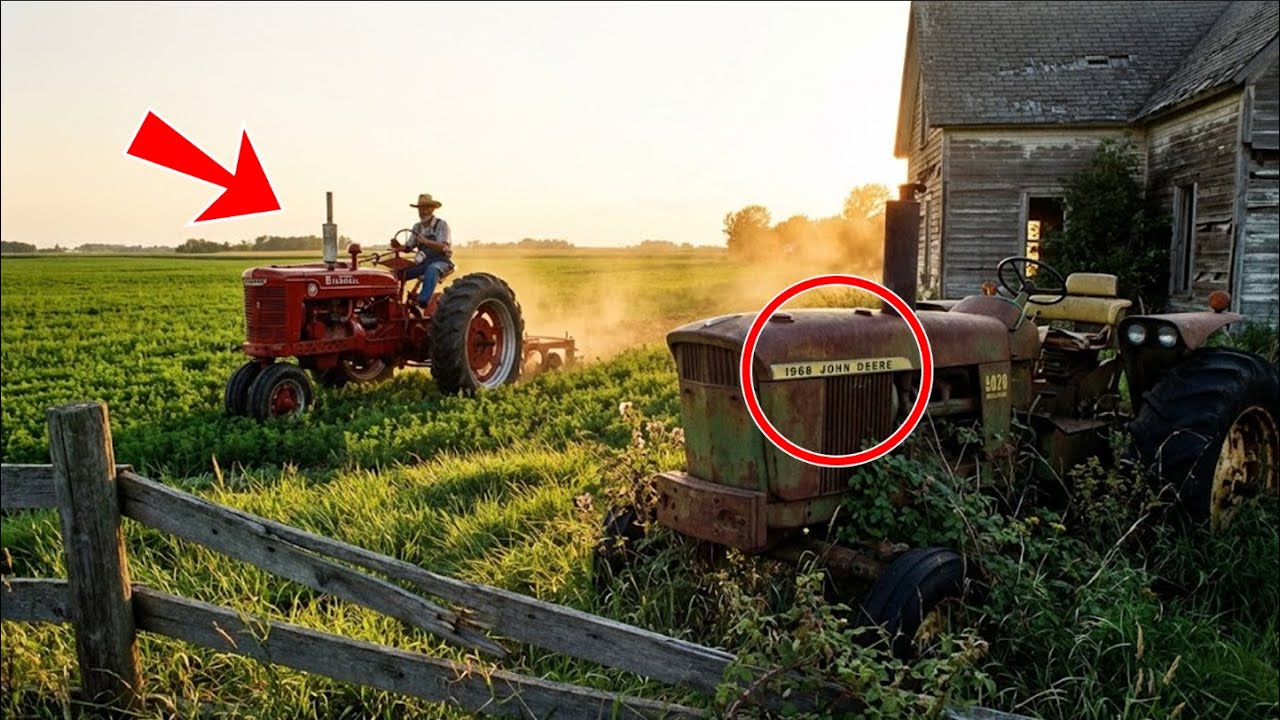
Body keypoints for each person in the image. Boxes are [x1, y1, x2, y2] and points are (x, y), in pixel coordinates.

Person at [392, 193, 455, 308]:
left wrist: (425, 241)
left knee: (432, 269)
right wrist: (398, 246)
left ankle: (423, 301)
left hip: (441, 261)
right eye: (421, 209)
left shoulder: (441, 225)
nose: (423, 211)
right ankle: (393, 303)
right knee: (397, 274)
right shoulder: (417, 227)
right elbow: (408, 247)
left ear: (432, 209)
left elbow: (443, 246)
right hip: (423, 262)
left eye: (426, 208)